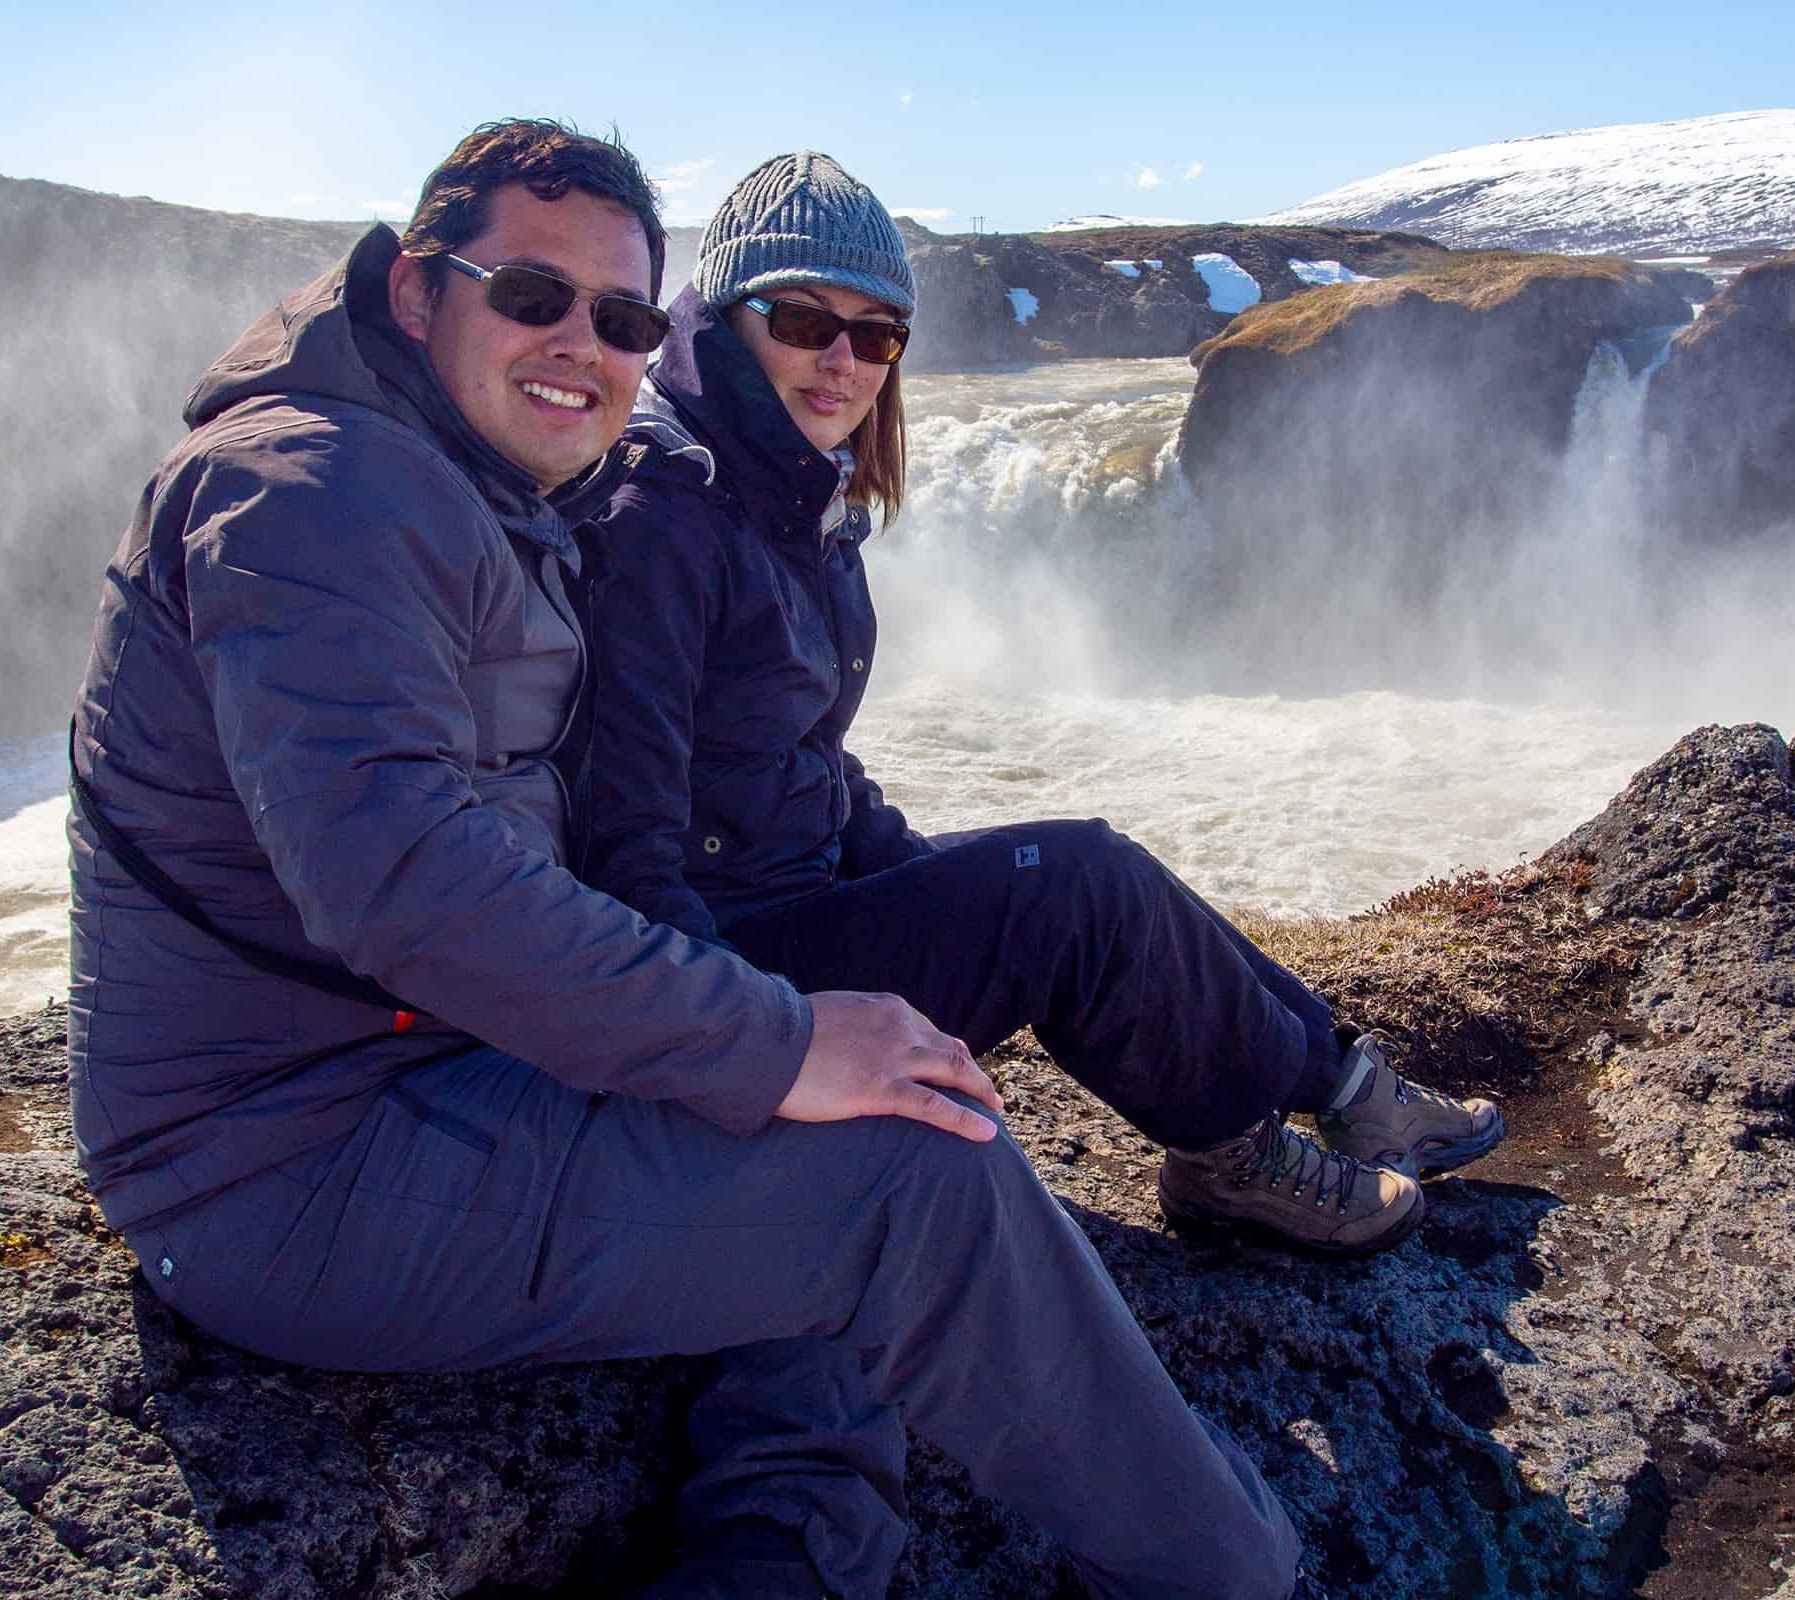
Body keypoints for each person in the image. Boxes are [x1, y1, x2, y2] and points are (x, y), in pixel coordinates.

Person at [68, 119, 1317, 1599]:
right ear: (417, 294)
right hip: (288, 1164)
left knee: (861, 1122)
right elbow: (400, 879)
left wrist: (770, 1039)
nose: (579, 345)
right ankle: (1241, 1572)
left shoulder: (468, 478)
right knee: (911, 1176)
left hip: (425, 1072)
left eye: (617, 316)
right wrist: (775, 1038)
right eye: (529, 295)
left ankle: (781, 1549)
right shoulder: (322, 490)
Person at [580, 151, 1508, 1261]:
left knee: (1080, 868)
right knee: (1075, 883)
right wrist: (745, 1069)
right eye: (801, 318)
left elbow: (801, 756)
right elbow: (621, 858)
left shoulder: (788, 497)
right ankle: (1230, 1162)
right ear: (728, 316)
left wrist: (936, 887)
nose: (842, 359)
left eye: (877, 334)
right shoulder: (666, 517)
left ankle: (1355, 1085)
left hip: (781, 904)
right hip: (734, 981)